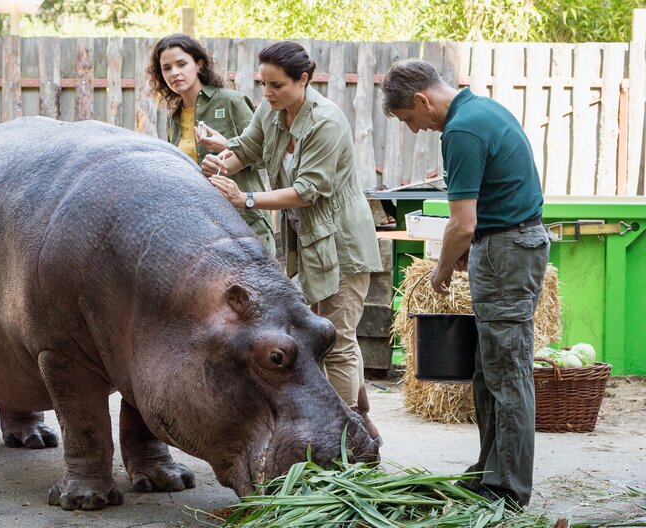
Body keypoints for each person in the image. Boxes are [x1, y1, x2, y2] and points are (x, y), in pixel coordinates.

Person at [380, 59, 550, 508]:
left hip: (507, 252)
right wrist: (469, 245)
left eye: (409, 118)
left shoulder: (461, 130)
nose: (415, 129)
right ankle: (490, 472)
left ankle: (508, 489)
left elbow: (461, 221)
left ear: (422, 100)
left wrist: (440, 268)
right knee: (488, 369)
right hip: (508, 244)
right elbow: (488, 204)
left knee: (506, 372)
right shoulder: (483, 110)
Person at [201, 41, 383, 441]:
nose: (267, 93)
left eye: (277, 85)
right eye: (263, 84)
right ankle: (361, 424)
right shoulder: (272, 109)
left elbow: (307, 191)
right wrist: (219, 167)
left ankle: (343, 438)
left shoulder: (326, 122)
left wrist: (246, 198)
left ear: (303, 80)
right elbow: (247, 149)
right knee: (318, 334)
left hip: (342, 243)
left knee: (338, 338)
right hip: (308, 241)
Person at [148, 33, 274, 254]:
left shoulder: (231, 101)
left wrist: (227, 146)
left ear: (199, 64)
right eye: (166, 68)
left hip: (244, 221)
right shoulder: (174, 118)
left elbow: (267, 155)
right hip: (200, 229)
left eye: (181, 64)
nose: (174, 72)